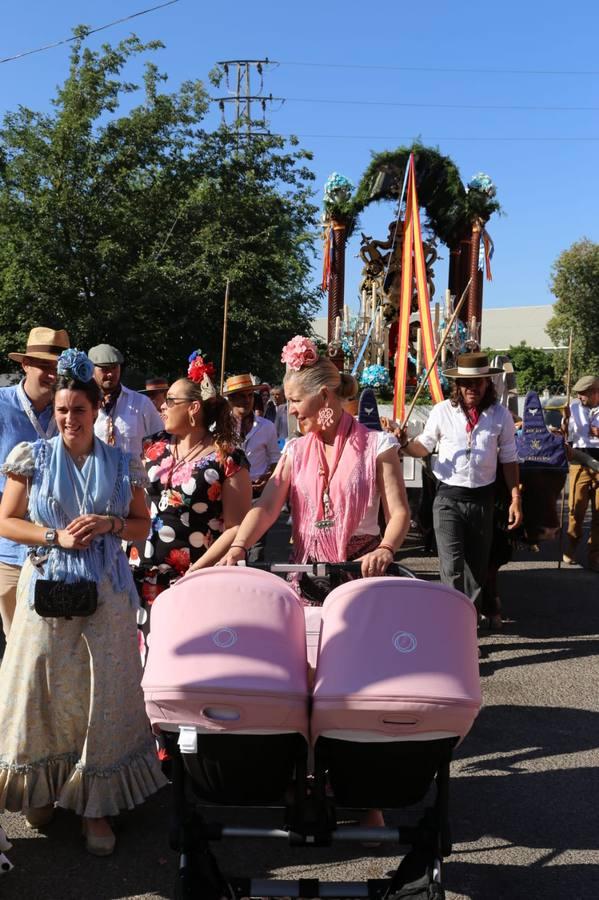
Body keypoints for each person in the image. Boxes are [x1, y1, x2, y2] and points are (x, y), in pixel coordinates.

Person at [0, 350, 166, 856]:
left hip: (107, 594)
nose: (70, 419)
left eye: (79, 410)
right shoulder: (33, 456)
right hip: (45, 590)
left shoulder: (121, 463)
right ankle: (44, 787)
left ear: (97, 412)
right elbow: (6, 521)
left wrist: (110, 525)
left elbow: (143, 525)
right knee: (43, 692)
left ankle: (96, 807)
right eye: (63, 411)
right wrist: (54, 535)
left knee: (102, 699)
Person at [220, 336, 411, 583]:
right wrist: (239, 546)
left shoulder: (377, 446)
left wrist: (385, 549)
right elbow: (266, 507)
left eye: (296, 400)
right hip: (308, 575)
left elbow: (399, 512)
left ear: (323, 396)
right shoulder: (295, 450)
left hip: (362, 573)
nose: (291, 410)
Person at [400, 351, 522, 608]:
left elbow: (509, 459)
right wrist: (404, 443)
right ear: (457, 384)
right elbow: (423, 447)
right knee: (452, 566)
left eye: (477, 382)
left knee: (475, 570)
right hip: (447, 498)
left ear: (487, 383)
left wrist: (515, 498)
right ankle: (450, 626)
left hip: (482, 500)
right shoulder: (442, 411)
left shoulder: (501, 416)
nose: (471, 388)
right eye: (465, 382)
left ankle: (469, 630)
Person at [140, 352, 252, 595]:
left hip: (198, 578)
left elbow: (237, 527)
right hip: (145, 574)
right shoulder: (151, 448)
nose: (162, 406)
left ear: (193, 407)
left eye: (170, 400)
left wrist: (196, 571)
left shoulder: (228, 458)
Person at [0, 326, 70, 640]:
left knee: (53, 645)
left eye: (58, 368)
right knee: (16, 648)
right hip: (9, 551)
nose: (52, 374)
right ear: (25, 364)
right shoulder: (2, 406)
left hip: (60, 551)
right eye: (43, 365)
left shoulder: (70, 411)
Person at [224, 373, 281, 563]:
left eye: (250, 396)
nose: (246, 400)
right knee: (229, 544)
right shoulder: (219, 428)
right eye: (241, 396)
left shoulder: (266, 427)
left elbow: (275, 458)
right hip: (229, 495)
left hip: (257, 496)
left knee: (256, 548)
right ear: (230, 399)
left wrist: (268, 479)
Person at [88, 344, 163, 456]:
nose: (110, 374)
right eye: (104, 369)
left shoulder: (141, 403)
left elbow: (161, 441)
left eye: (114, 368)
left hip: (132, 472)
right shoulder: (84, 404)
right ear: (91, 370)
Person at [563, 375, 599, 570]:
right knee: (576, 511)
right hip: (579, 461)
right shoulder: (573, 407)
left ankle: (595, 556)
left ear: (595, 393)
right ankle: (571, 548)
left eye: (583, 394)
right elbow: (567, 434)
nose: (579, 397)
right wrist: (564, 426)